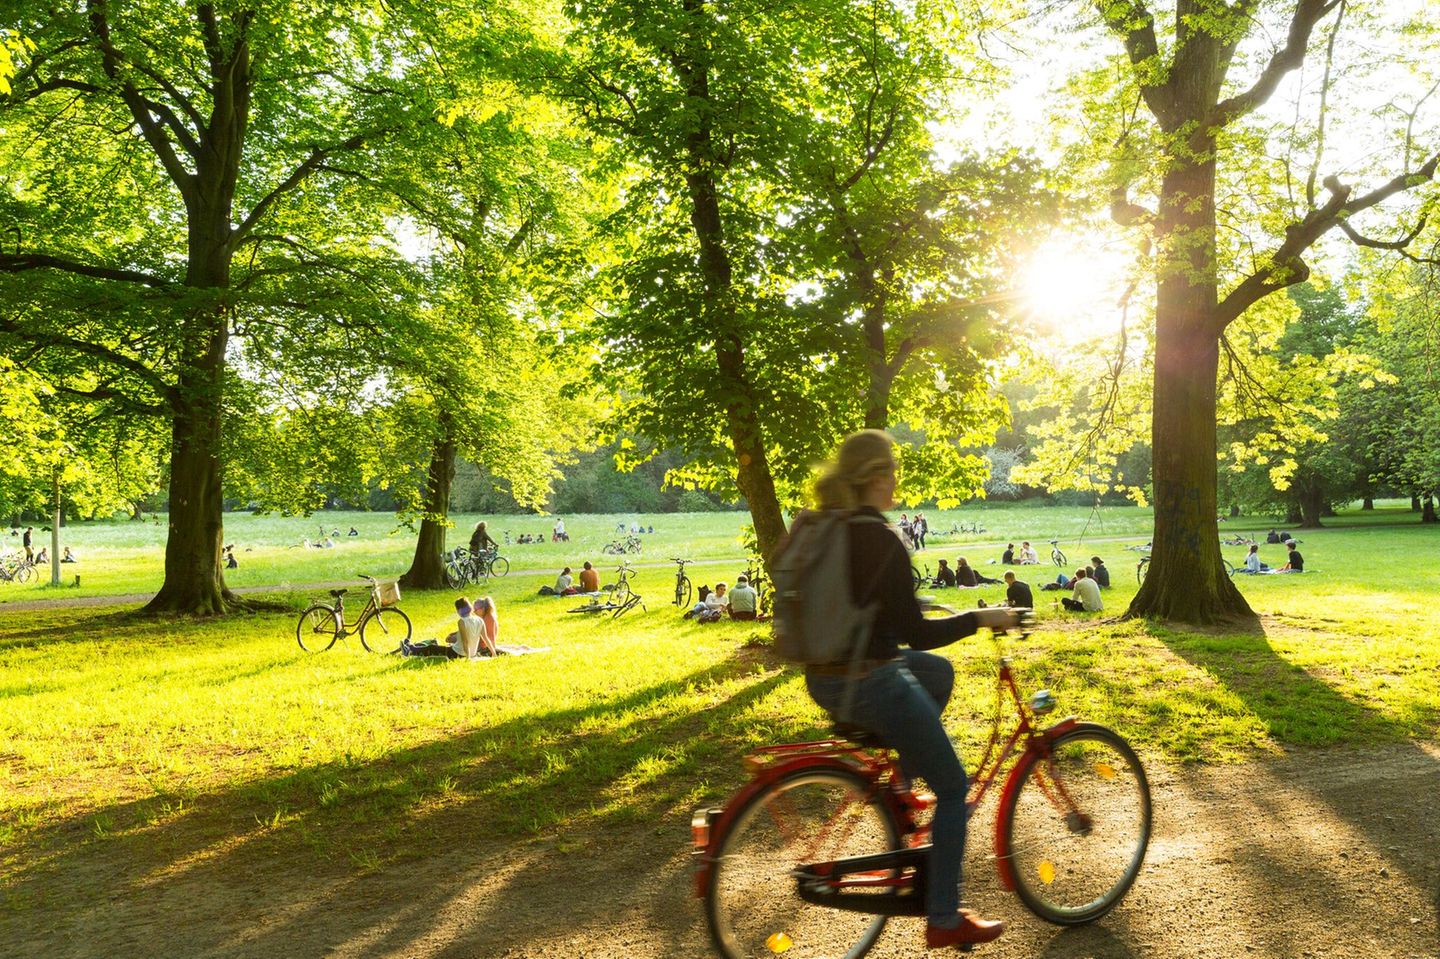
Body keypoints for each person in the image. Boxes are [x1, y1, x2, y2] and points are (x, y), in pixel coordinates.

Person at [799, 429, 1015, 948]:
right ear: (876, 477)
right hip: (870, 681)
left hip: (826, 675)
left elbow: (884, 620)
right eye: (892, 470)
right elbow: (916, 630)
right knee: (955, 787)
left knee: (937, 673)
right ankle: (943, 918)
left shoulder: (832, 527)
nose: (897, 480)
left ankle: (900, 780)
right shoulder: (879, 538)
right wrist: (980, 617)